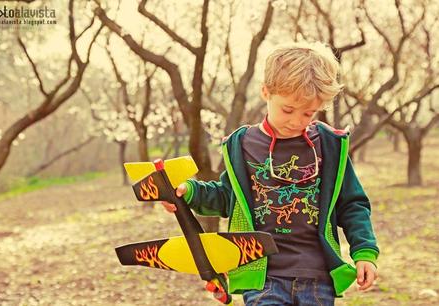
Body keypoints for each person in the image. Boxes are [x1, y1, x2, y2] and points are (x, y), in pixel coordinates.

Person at [162, 41, 379, 306]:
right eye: (287, 109)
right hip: (263, 278)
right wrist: (190, 191)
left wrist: (364, 252)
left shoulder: (330, 145)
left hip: (317, 278)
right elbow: (225, 197)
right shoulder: (241, 145)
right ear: (266, 92)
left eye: (309, 112)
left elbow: (352, 204)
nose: (297, 121)